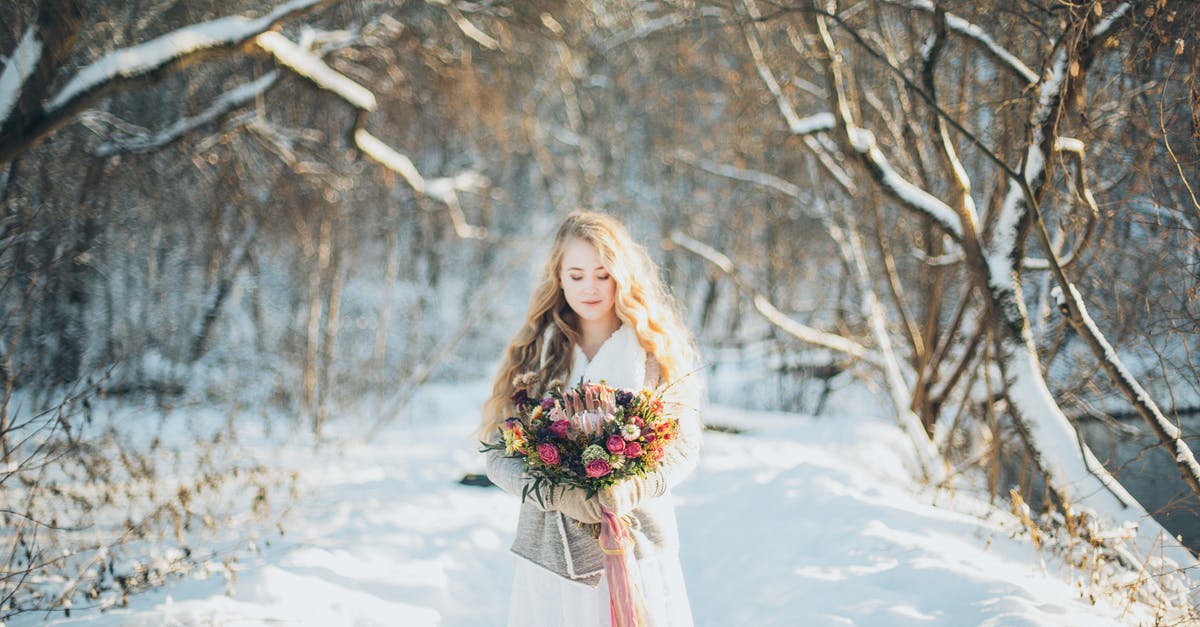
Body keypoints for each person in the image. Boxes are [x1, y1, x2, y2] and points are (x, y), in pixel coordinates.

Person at [480, 211, 702, 627]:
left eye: (603, 274)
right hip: (551, 559)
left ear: (623, 275)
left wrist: (634, 488)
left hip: (639, 549)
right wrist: (554, 495)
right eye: (577, 274)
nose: (590, 288)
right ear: (559, 278)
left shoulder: (655, 351)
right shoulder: (536, 355)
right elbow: (496, 455)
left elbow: (684, 448)